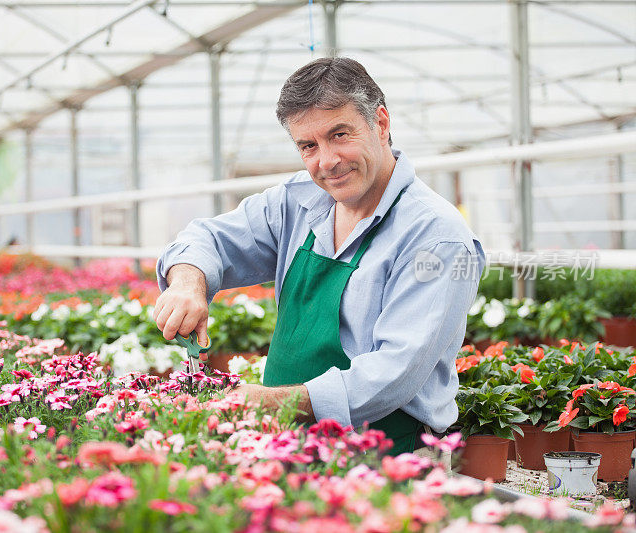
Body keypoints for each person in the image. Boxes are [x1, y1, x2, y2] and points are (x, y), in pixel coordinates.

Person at [152, 57, 485, 455]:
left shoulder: (435, 235)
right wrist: (189, 281)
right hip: (289, 443)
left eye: (340, 134)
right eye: (308, 146)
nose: (326, 161)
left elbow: (393, 373)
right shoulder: (298, 201)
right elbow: (210, 238)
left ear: (380, 124)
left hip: (387, 455)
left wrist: (270, 402)